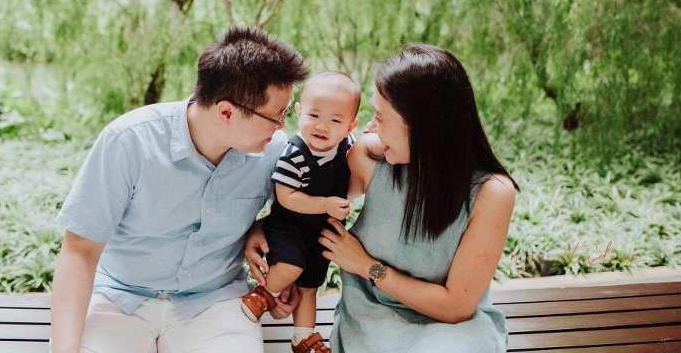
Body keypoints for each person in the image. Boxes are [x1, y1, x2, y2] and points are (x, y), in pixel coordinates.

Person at [50, 26, 308, 353]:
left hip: (215, 301)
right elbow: (79, 250)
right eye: (276, 115)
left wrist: (263, 228)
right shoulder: (129, 141)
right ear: (226, 112)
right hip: (120, 297)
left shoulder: (274, 151)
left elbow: (304, 213)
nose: (282, 125)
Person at [320, 44, 518, 353]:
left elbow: (456, 307)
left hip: (452, 331)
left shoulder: (491, 193)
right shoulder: (370, 160)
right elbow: (311, 207)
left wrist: (366, 266)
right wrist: (263, 231)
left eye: (380, 117)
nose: (372, 127)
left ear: (421, 124)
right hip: (371, 322)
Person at [240, 72, 360, 353]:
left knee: (310, 286)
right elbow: (286, 197)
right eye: (314, 115)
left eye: (335, 121)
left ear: (350, 125)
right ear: (298, 111)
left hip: (320, 232)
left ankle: (303, 337)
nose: (322, 126)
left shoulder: (347, 148)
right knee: (291, 266)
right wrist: (325, 205)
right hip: (289, 226)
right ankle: (263, 293)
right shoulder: (295, 154)